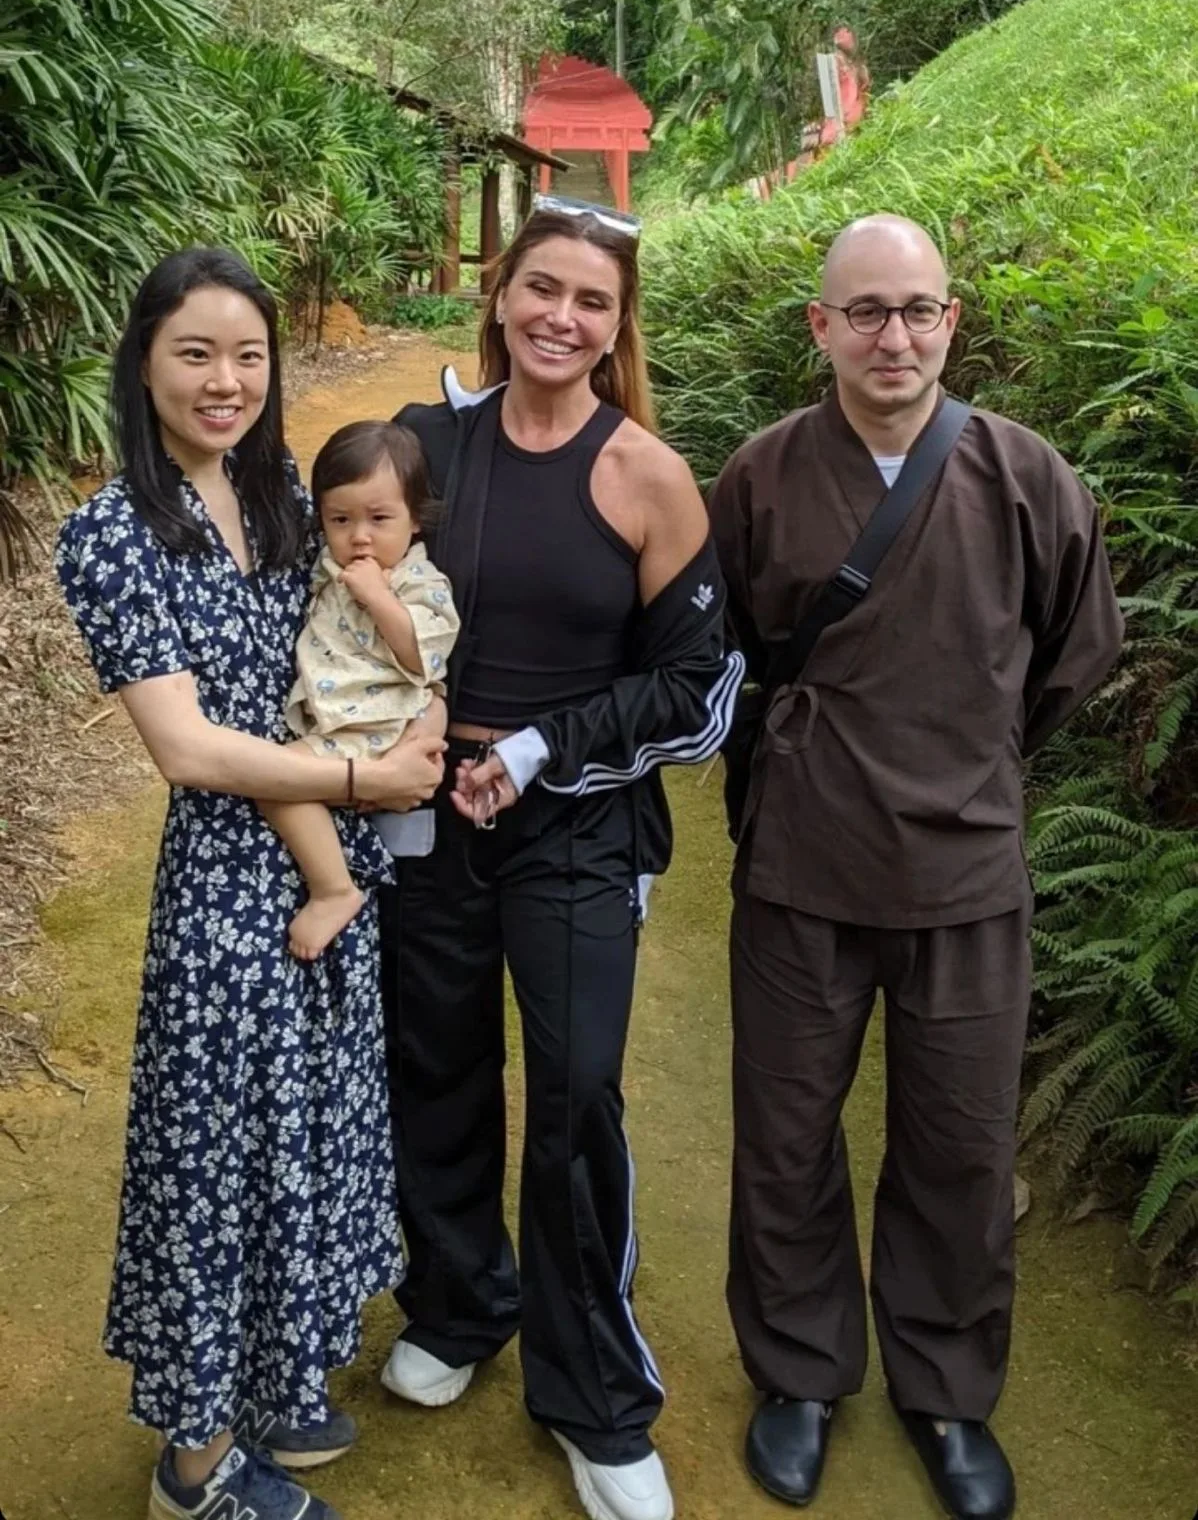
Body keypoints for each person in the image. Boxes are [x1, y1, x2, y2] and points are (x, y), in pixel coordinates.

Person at [707, 215, 1123, 1519]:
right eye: (866, 310)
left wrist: (977, 762)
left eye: (917, 310)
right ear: (819, 328)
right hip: (802, 870)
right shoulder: (761, 478)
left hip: (966, 881)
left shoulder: (1024, 475)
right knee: (784, 1138)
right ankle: (799, 1373)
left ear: (951, 322)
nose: (894, 335)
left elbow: (1073, 655)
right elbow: (724, 662)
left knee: (955, 1143)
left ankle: (945, 1391)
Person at [54, 247, 446, 1520]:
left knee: (306, 1138)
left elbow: (350, 627)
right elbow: (184, 747)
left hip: (332, 868)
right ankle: (194, 1464)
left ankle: (272, 1384)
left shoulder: (280, 487)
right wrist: (362, 787)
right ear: (144, 363)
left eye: (247, 354)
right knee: (211, 1162)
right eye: (194, 353)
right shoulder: (112, 534)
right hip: (229, 894)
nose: (225, 380)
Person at [376, 197, 744, 1520]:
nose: (560, 317)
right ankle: (462, 1298)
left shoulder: (643, 471)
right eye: (541, 288)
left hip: (576, 824)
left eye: (590, 300)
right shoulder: (427, 447)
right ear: (501, 295)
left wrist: (537, 750)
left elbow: (697, 691)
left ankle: (592, 1395)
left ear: (616, 324)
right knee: (434, 1060)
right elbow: (358, 598)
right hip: (428, 815)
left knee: (577, 1088)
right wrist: (410, 739)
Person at [262, 419, 459, 959]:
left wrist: (380, 598)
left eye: (379, 519)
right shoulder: (330, 565)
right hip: (341, 719)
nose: (360, 536)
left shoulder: (419, 583)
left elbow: (425, 658)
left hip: (373, 725)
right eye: (340, 519)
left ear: (416, 519)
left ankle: (334, 890)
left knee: (275, 781)